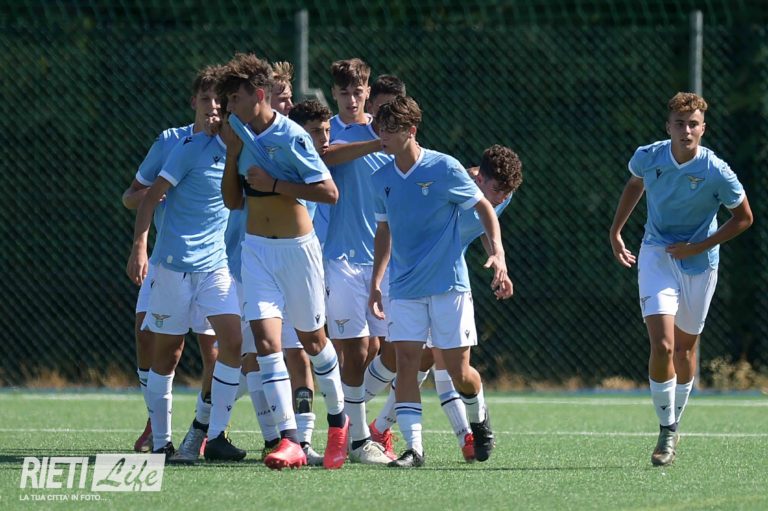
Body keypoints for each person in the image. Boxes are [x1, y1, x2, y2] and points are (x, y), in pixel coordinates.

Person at [217, 53, 348, 470]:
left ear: (258, 95)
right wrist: (233, 156)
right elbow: (233, 201)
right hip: (256, 251)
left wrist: (274, 183)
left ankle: (339, 420)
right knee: (267, 344)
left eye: (235, 98)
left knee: (313, 343)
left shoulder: (291, 136)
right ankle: (290, 440)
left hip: (297, 252)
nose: (229, 106)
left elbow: (329, 192)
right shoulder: (238, 132)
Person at [609, 92, 753, 466]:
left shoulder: (716, 170)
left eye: (693, 124)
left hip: (700, 262)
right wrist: (616, 231)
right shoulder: (648, 156)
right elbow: (635, 184)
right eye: (679, 124)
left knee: (686, 351)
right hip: (656, 253)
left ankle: (674, 420)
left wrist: (697, 246)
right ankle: (667, 430)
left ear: (703, 129)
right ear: (668, 127)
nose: (686, 130)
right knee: (663, 345)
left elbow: (744, 218)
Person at [369, 96, 510, 467]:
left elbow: (484, 207)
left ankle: (479, 421)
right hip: (404, 288)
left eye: (391, 129)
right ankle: (414, 450)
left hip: (449, 286)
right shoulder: (380, 179)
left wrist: (498, 254)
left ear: (411, 131)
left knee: (459, 373)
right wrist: (376, 282)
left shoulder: (445, 167)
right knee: (407, 365)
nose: (383, 135)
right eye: (381, 128)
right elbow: (384, 232)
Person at [126, 67, 247, 463]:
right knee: (169, 353)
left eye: (221, 102)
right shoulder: (185, 146)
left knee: (232, 343)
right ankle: (161, 441)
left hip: (215, 268)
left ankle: (210, 433)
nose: (215, 108)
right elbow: (146, 197)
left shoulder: (240, 148)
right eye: (209, 100)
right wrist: (140, 248)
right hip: (172, 267)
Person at [322, 58, 395, 465]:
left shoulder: (387, 129)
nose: (351, 99)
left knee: (383, 348)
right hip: (342, 258)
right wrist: (375, 143)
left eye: (357, 92)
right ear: (334, 93)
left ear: (368, 91)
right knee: (354, 349)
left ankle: (350, 421)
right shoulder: (330, 129)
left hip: (385, 260)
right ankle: (356, 440)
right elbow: (327, 156)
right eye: (344, 92)